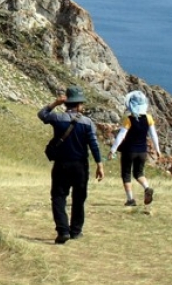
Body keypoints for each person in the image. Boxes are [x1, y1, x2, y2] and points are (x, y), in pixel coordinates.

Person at [39, 87, 105, 244]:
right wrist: (99, 164)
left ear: (67, 103)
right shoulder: (87, 123)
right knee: (79, 198)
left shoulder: (58, 118)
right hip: (80, 166)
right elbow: (93, 145)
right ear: (79, 105)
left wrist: (55, 102)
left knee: (58, 196)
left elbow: (42, 115)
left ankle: (63, 231)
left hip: (61, 165)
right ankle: (75, 231)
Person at [110, 90, 160, 207]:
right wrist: (158, 150)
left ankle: (130, 199)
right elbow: (154, 135)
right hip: (142, 151)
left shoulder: (129, 119)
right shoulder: (148, 118)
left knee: (126, 174)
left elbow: (121, 135)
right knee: (139, 173)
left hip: (129, 150)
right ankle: (147, 188)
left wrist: (112, 150)